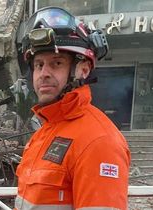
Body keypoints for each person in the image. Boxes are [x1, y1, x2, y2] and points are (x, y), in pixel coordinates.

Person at [14, 6, 131, 210]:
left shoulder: (98, 142)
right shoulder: (44, 133)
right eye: (39, 65)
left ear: (83, 70)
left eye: (57, 63)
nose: (44, 73)